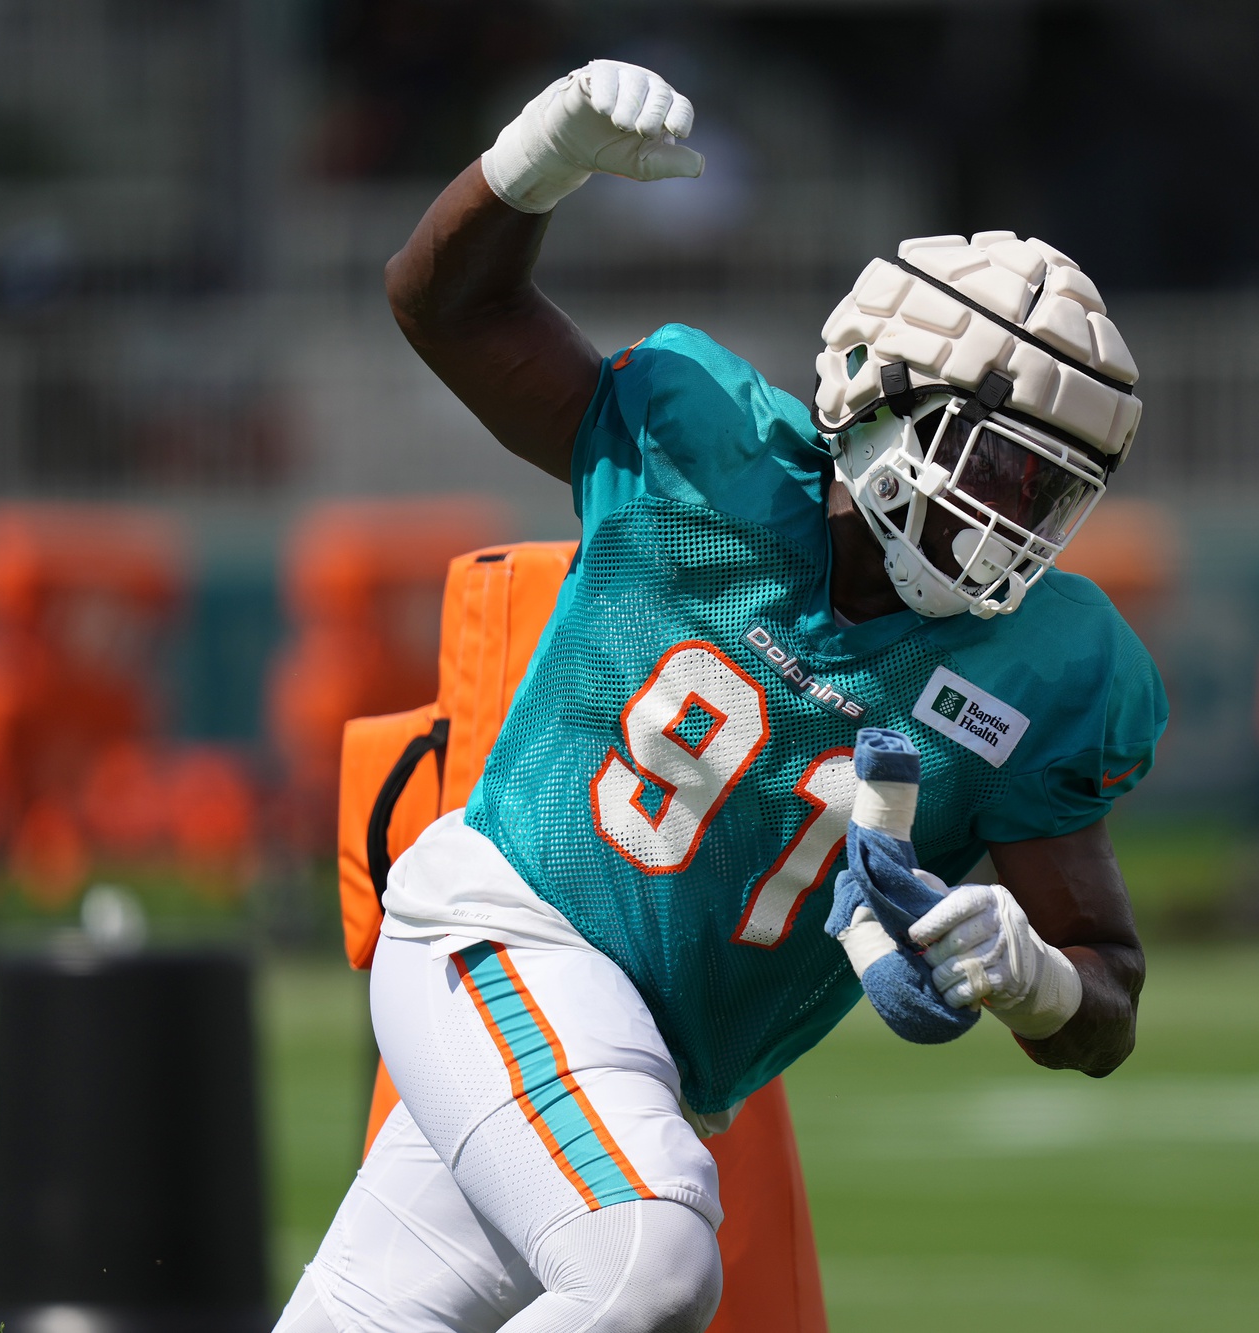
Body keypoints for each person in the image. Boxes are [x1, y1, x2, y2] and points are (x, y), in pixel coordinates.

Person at [277, 59, 1165, 1333]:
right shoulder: (702, 455)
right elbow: (444, 309)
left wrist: (1030, 975)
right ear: (873, 389)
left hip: (642, 1067)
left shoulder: (1047, 669)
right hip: (504, 935)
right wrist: (534, 160)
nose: (1006, 520)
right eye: (994, 464)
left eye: (1048, 492)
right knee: (652, 1258)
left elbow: (1107, 995)